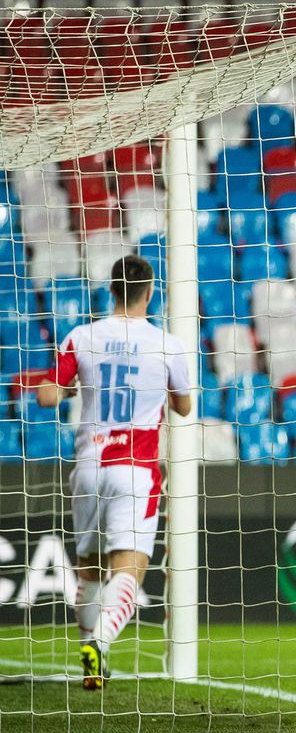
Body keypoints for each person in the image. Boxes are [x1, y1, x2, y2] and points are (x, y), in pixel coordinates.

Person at [36, 255, 193, 691]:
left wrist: (59, 385)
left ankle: (90, 660)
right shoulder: (167, 344)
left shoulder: (82, 337)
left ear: (111, 291)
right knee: (130, 567)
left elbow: (50, 395)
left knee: (88, 566)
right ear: (149, 292)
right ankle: (101, 643)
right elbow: (184, 406)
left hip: (88, 465)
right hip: (135, 469)